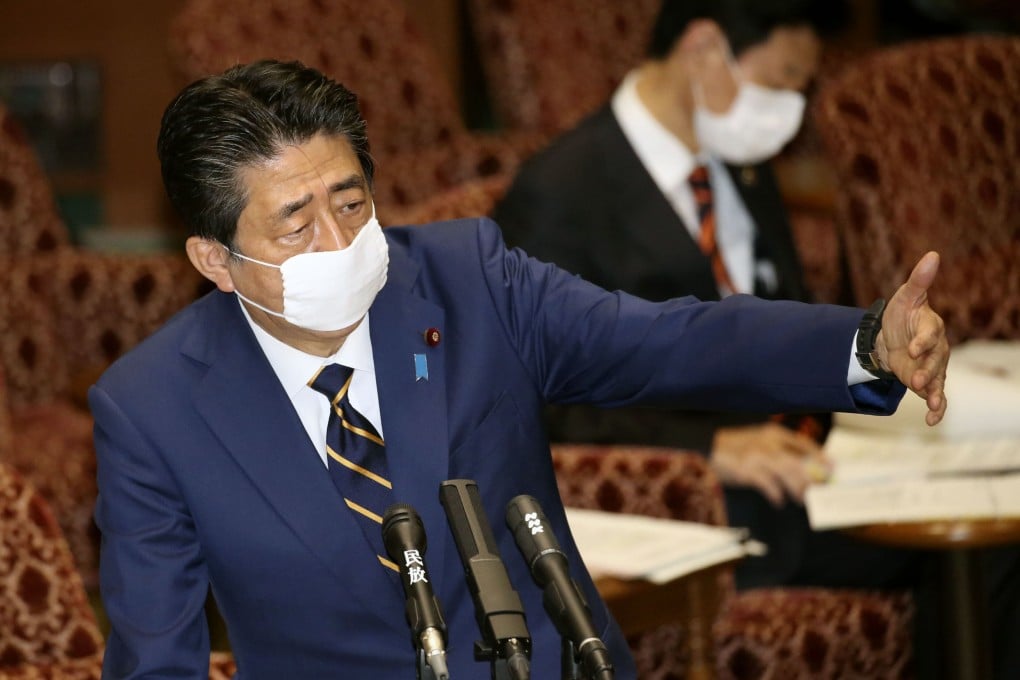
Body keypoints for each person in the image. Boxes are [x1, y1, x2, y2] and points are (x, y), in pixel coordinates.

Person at [90, 59, 948, 679]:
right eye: (295, 224)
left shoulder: (468, 280)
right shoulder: (152, 409)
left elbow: (665, 343)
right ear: (212, 257)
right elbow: (156, 658)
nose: (340, 243)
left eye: (351, 204)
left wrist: (865, 342)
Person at [492, 0, 892, 591]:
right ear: (704, 48)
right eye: (781, 81)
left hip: (807, 462)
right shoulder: (560, 191)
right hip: (699, 498)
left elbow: (784, 312)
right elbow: (541, 398)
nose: (792, 110)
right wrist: (710, 446)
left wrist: (872, 356)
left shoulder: (737, 163)